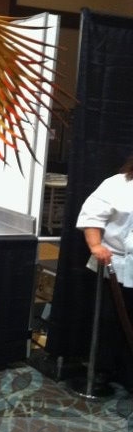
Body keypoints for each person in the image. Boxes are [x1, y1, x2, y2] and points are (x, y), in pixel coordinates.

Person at [76, 154, 133, 391]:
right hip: (113, 266)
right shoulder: (117, 184)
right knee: (110, 321)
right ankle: (103, 370)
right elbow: (92, 215)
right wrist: (96, 246)